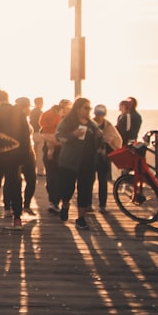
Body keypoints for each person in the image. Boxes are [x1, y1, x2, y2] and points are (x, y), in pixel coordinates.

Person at [56, 97, 102, 230]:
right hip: (69, 162)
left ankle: (81, 218)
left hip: (87, 163)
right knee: (67, 189)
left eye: (89, 108)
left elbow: (98, 142)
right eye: (86, 108)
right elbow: (59, 136)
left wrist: (99, 137)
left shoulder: (92, 124)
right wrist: (73, 134)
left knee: (85, 190)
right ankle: (65, 205)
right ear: (78, 109)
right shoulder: (68, 122)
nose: (89, 111)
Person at [0, 90, 30, 230]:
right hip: (16, 157)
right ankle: (17, 219)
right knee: (15, 186)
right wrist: (24, 156)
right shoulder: (19, 112)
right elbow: (26, 137)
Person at [39, 98, 72, 214]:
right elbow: (47, 134)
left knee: (57, 177)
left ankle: (58, 201)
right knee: (53, 177)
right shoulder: (59, 119)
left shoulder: (64, 120)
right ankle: (54, 202)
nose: (67, 110)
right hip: (57, 152)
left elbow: (43, 132)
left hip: (60, 151)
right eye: (66, 108)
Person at [92, 104, 123, 212]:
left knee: (103, 181)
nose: (99, 116)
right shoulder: (91, 124)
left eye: (101, 114)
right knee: (89, 180)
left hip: (103, 157)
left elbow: (117, 139)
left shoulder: (108, 126)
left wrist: (107, 139)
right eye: (98, 114)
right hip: (91, 157)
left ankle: (102, 205)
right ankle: (87, 203)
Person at [30, 96, 45, 176]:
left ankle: (33, 169)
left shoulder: (32, 112)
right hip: (39, 133)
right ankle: (40, 171)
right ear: (41, 103)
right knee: (40, 152)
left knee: (35, 152)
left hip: (33, 134)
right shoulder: (40, 112)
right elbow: (42, 123)